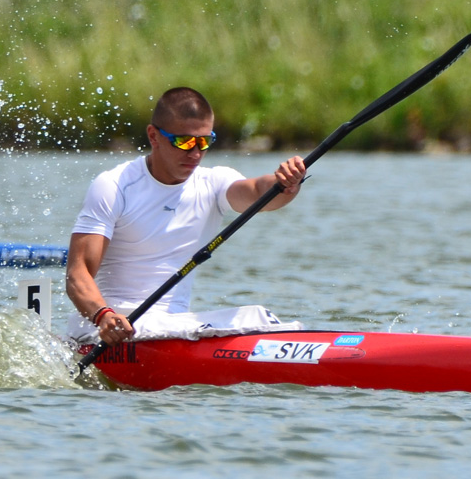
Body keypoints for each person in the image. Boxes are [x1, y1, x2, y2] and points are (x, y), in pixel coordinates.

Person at [65, 86, 307, 347]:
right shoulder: (114, 186)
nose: (195, 153)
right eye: (184, 142)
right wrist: (104, 315)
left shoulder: (213, 182)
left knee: (259, 316)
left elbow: (260, 193)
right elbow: (77, 273)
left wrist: (287, 182)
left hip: (174, 327)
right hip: (110, 329)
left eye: (205, 141)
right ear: (153, 136)